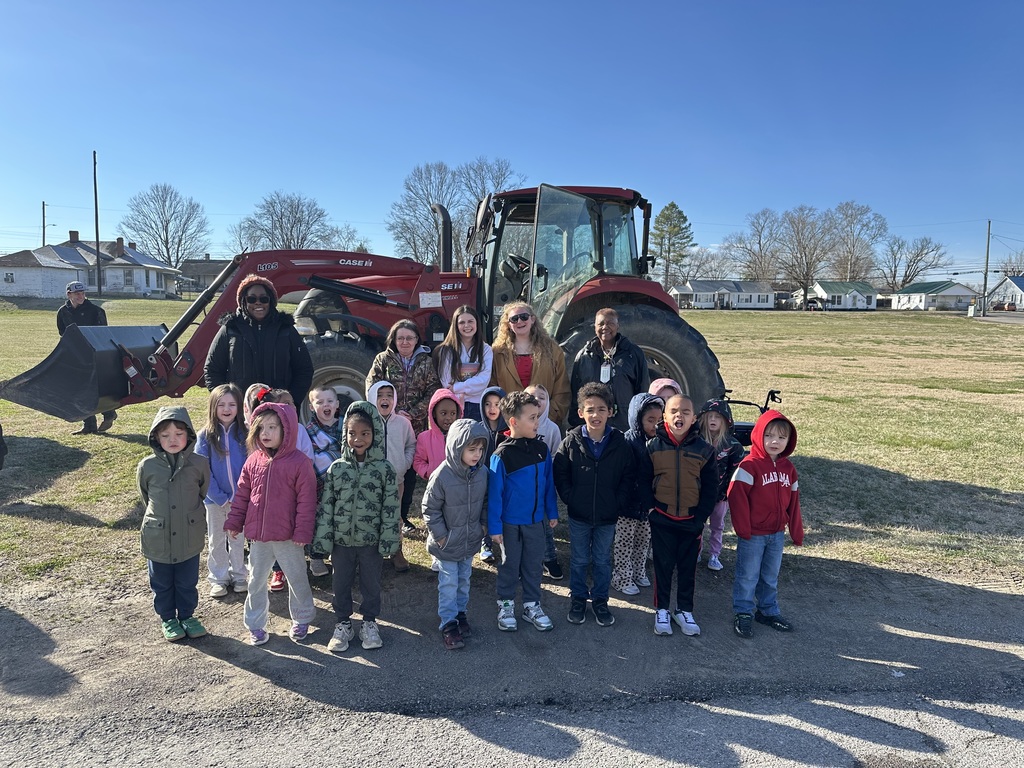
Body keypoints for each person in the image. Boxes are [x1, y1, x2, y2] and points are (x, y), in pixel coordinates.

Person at [225, 402, 317, 646]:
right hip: (259, 538)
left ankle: (302, 617)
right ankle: (255, 624)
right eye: (261, 428)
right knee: (255, 580)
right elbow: (243, 494)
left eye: (272, 427)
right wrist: (235, 521)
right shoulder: (253, 460)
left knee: (297, 578)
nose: (265, 433)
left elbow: (307, 501)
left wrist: (302, 531)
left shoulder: (300, 462)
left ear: (286, 430)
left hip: (288, 537)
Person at [314, 401, 400, 653]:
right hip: (341, 542)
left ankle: (369, 623)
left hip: (370, 542)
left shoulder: (384, 470)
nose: (358, 439)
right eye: (352, 433)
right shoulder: (337, 469)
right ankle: (342, 624)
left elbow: (390, 508)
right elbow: (327, 506)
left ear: (375, 434)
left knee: (371, 584)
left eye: (365, 433)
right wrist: (323, 541)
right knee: (340, 584)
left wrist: (389, 541)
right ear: (345, 434)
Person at [553, 383, 635, 627]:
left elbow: (628, 477)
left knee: (601, 560)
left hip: (608, 517)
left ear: (611, 411)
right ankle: (578, 598)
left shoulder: (620, 444)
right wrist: (571, 497)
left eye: (601, 409)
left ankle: (600, 600)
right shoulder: (570, 442)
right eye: (590, 410)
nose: (595, 415)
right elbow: (560, 473)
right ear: (580, 413)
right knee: (578, 560)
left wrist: (617, 503)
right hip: (579, 515)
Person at [640, 394, 717, 638]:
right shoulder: (652, 447)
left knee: (687, 569)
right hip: (662, 518)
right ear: (664, 417)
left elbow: (711, 488)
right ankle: (661, 610)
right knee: (662, 567)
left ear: (694, 418)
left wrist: (700, 518)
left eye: (685, 411)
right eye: (673, 411)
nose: (679, 415)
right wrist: (651, 510)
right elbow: (642, 481)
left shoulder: (704, 450)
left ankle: (684, 610)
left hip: (691, 521)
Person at [136, 405, 211, 642]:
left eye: (179, 434)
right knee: (161, 582)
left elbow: (201, 492)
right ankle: (168, 618)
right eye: (165, 435)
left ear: (189, 435)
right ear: (156, 437)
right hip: (159, 538)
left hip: (189, 535)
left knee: (187, 581)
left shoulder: (199, 464)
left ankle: (188, 616)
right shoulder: (147, 466)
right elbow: (145, 496)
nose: (173, 440)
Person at [488, 390, 559, 633]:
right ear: (513, 422)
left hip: (536, 522)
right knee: (510, 565)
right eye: (531, 418)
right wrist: (495, 528)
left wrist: (551, 512)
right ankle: (506, 605)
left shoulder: (542, 449)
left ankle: (531, 605)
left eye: (537, 416)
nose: (537, 422)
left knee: (533, 565)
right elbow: (495, 496)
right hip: (510, 525)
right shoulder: (501, 455)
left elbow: (549, 485)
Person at [728, 410, 802, 639]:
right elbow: (736, 497)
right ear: (759, 435)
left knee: (770, 575)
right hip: (753, 534)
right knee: (748, 575)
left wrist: (796, 531)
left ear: (789, 441)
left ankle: (768, 611)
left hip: (776, 533)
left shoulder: (789, 469)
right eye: (769, 435)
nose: (774, 441)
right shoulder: (749, 466)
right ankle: (743, 612)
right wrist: (744, 529)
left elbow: (794, 502)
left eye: (781, 437)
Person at [365, 319, 440, 533]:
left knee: (407, 473)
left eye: (410, 337)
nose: (405, 342)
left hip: (414, 426)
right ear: (394, 340)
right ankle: (380, 513)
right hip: (386, 424)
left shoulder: (425, 362)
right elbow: (371, 386)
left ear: (417, 340)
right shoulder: (383, 360)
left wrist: (412, 413)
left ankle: (402, 516)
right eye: (401, 338)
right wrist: (388, 410)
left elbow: (433, 390)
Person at [422, 419, 490, 650]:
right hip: (447, 544)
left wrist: (483, 526)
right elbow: (429, 508)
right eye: (471, 449)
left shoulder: (482, 474)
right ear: (456, 447)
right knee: (448, 583)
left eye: (480, 449)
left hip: (470, 540)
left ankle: (461, 614)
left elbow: (487, 502)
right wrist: (442, 536)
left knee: (464, 581)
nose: (477, 455)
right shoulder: (442, 475)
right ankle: (448, 623)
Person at [204, 274, 314, 412]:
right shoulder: (230, 329)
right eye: (252, 299)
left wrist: (290, 401)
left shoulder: (286, 330)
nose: (258, 303)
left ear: (271, 301)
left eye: (263, 298)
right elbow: (212, 370)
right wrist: (228, 403)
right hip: (241, 414)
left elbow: (304, 369)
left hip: (278, 412)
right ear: (244, 301)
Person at [194, 384, 249, 597]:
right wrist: (219, 497)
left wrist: (239, 497)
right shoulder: (205, 436)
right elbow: (203, 470)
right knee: (216, 539)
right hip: (214, 501)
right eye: (221, 404)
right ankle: (218, 578)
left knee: (237, 538)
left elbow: (249, 466)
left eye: (232, 404)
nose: (227, 409)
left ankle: (239, 575)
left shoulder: (244, 433)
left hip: (239, 500)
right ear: (213, 407)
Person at [258, 387, 315, 591]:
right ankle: (278, 569)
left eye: (292, 403)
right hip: (274, 495)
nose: (290, 406)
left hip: (296, 488)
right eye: (285, 403)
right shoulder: (267, 431)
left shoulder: (300, 430)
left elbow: (308, 456)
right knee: (276, 531)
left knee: (297, 527)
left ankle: (302, 564)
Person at [612, 393, 663, 596]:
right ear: (637, 418)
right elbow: (621, 473)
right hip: (627, 505)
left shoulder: (659, 442)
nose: (655, 425)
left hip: (648, 505)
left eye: (659, 420)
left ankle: (638, 571)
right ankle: (621, 577)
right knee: (624, 543)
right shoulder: (628, 441)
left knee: (643, 541)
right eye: (650, 420)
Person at [568, 308, 650, 432]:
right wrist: (576, 426)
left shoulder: (633, 354)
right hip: (593, 427)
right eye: (600, 324)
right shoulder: (584, 356)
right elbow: (576, 393)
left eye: (610, 323)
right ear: (594, 327)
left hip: (624, 425)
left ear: (618, 326)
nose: (605, 327)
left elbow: (642, 390)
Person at [490, 302, 571, 425]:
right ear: (508, 324)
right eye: (514, 319)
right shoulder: (497, 353)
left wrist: (547, 417)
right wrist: (506, 417)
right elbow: (492, 388)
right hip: (510, 424)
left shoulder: (552, 350)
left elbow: (561, 389)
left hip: (544, 422)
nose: (519, 321)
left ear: (532, 319)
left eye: (524, 317)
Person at [367, 381, 417, 572]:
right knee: (372, 515)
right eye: (380, 395)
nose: (385, 399)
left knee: (394, 515)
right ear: (372, 398)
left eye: (389, 394)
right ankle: (373, 553)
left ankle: (396, 550)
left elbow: (411, 445)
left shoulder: (403, 423)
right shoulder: (368, 422)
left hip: (397, 480)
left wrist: (404, 464)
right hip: (372, 483)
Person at [57, 280, 117, 434]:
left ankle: (108, 413)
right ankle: (89, 425)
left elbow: (102, 335)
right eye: (77, 293)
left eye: (83, 293)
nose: (81, 296)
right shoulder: (62, 312)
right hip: (75, 356)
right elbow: (63, 335)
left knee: (96, 388)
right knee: (80, 390)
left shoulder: (96, 311)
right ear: (69, 294)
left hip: (94, 355)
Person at [698, 399, 745, 572]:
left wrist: (727, 492)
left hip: (721, 496)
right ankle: (697, 551)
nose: (713, 419)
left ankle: (714, 555)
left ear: (725, 421)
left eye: (717, 417)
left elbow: (736, 471)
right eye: (709, 416)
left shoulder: (733, 446)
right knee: (698, 524)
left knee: (717, 526)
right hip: (699, 494)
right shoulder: (697, 441)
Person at [525, 383, 564, 581]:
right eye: (532, 396)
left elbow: (557, 456)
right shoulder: (519, 424)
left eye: (542, 397)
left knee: (546, 525)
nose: (537, 400)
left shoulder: (552, 429)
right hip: (523, 486)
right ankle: (529, 561)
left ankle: (550, 559)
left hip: (544, 485)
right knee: (526, 525)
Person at [305, 385, 344, 578]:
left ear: (337, 404)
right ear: (312, 407)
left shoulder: (346, 426)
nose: (325, 405)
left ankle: (340, 556)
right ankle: (316, 556)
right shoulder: (307, 432)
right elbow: (308, 457)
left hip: (344, 484)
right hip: (318, 484)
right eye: (319, 402)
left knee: (341, 520)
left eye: (329, 401)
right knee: (319, 520)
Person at [434, 305, 493, 421]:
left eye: (470, 321)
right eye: (462, 322)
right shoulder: (445, 350)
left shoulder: (486, 350)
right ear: (455, 326)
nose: (466, 326)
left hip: (477, 405)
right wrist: (468, 388)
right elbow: (447, 382)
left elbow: (483, 381)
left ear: (477, 323)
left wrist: (457, 387)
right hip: (453, 406)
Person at [476, 385, 507, 565]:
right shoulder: (478, 429)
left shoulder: (509, 430)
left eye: (497, 404)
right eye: (487, 404)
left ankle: (504, 542)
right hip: (484, 479)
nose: (492, 408)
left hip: (503, 480)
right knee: (484, 512)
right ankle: (485, 544)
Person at [413, 388, 462, 483]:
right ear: (434, 413)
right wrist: (428, 472)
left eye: (453, 413)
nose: (448, 418)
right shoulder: (424, 438)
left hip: (458, 484)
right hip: (435, 483)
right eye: (443, 413)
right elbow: (418, 461)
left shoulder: (461, 436)